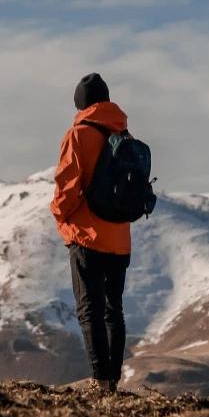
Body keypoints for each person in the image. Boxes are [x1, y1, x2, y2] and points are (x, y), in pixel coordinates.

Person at [50, 73, 131, 394]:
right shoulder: (123, 134)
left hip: (87, 235)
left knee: (89, 310)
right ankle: (112, 380)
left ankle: (100, 382)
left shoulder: (79, 134)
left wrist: (58, 216)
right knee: (114, 309)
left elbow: (67, 188)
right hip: (120, 237)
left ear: (80, 103)